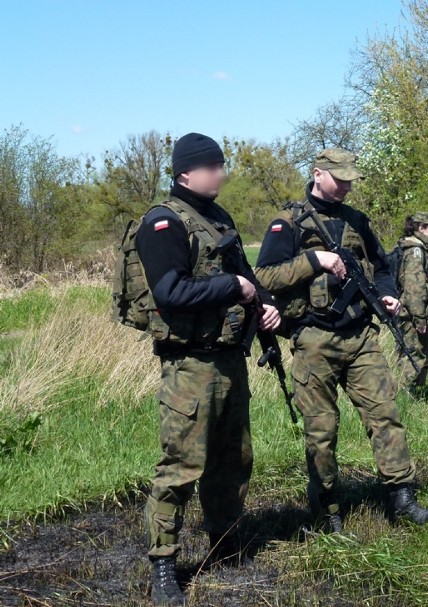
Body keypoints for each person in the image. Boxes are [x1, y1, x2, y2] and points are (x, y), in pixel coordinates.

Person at [254, 148, 428, 532]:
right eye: (339, 178)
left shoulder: (357, 220)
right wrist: (315, 261)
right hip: (313, 339)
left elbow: (383, 266)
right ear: (317, 173)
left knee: (385, 415)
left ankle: (402, 498)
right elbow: (265, 278)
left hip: (361, 335)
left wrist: (388, 294)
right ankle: (327, 511)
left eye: (350, 180)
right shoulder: (287, 222)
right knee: (321, 430)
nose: (346, 186)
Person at [135, 133, 281, 606]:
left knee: (232, 460)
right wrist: (231, 286)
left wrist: (266, 309)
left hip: (229, 360)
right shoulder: (162, 222)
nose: (221, 172)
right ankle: (164, 565)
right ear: (186, 172)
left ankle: (224, 543)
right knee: (180, 467)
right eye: (214, 166)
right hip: (190, 365)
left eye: (221, 164)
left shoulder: (218, 218)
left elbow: (249, 283)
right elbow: (170, 293)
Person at [393, 212, 428, 391]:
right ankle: (407, 397)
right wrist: (419, 318)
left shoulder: (410, 248)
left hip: (407, 313)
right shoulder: (415, 251)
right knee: (414, 356)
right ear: (421, 228)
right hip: (412, 315)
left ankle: (404, 394)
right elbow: (415, 288)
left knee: (407, 354)